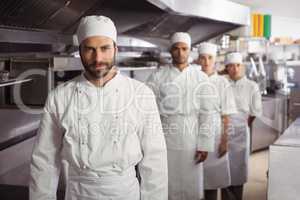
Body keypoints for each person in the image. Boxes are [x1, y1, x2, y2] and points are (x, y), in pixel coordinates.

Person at [29, 15, 168, 200]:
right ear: (80, 50)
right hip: (79, 193)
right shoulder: (60, 97)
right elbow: (44, 161)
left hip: (124, 192)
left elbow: (155, 160)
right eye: (90, 49)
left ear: (115, 49)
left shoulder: (141, 94)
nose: (98, 58)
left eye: (105, 48)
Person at [147, 32, 217, 200]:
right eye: (176, 48)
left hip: (191, 137)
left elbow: (207, 112)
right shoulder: (158, 76)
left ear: (190, 51)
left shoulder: (200, 77)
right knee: (168, 182)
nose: (180, 52)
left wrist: (205, 144)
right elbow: (149, 111)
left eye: (184, 48)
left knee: (191, 183)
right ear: (171, 51)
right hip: (166, 135)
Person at [196, 43, 237, 200]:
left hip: (215, 134)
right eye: (203, 58)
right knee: (195, 180)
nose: (206, 62)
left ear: (215, 61)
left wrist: (224, 141)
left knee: (212, 181)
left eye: (210, 58)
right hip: (194, 133)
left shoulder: (222, 83)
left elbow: (226, 115)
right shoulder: (192, 79)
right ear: (198, 60)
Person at [221, 52, 262, 200]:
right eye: (231, 66)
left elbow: (255, 111)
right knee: (223, 168)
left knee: (239, 167)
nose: (235, 69)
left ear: (242, 67)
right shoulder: (222, 84)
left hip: (241, 132)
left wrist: (244, 124)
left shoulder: (252, 86)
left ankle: (237, 197)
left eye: (238, 65)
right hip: (223, 131)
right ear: (227, 69)